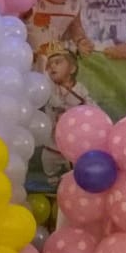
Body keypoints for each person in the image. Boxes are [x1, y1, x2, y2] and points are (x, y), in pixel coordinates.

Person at [39, 44, 93, 184]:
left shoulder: (80, 90)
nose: (52, 67)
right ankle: (52, 179)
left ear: (72, 69)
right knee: (48, 160)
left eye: (57, 62)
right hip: (52, 144)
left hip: (74, 143)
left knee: (77, 167)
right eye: (50, 65)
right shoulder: (49, 88)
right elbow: (45, 77)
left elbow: (93, 110)